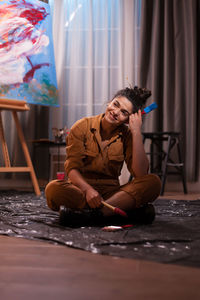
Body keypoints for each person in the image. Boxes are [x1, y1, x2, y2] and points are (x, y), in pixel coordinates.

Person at [45, 86, 161, 227]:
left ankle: (93, 215)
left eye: (124, 112)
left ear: (128, 119)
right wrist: (88, 190)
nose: (115, 112)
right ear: (109, 102)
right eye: (115, 104)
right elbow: (72, 169)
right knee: (53, 189)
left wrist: (136, 132)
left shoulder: (128, 135)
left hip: (113, 194)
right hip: (81, 191)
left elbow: (141, 174)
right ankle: (120, 212)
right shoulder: (82, 126)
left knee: (153, 182)